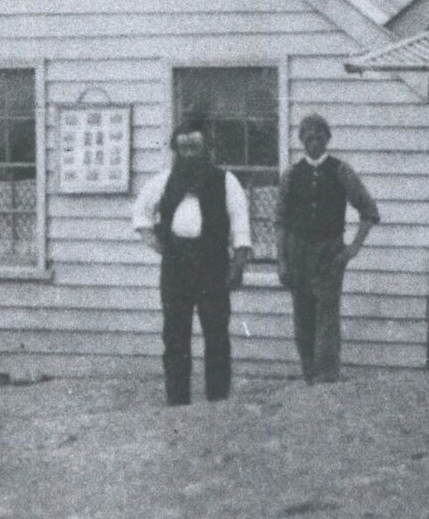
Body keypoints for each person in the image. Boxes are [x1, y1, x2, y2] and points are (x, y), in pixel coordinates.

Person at [131, 117, 254, 407]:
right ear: (176, 149)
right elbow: (140, 213)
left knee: (217, 337)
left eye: (195, 147)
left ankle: (218, 402)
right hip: (176, 269)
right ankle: (177, 403)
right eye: (183, 148)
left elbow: (240, 225)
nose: (189, 154)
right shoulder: (163, 181)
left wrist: (237, 264)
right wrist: (158, 244)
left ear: (207, 148)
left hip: (213, 268)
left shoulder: (227, 182)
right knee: (175, 339)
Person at [278, 113, 381, 385]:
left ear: (327, 139)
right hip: (297, 252)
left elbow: (369, 211)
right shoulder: (291, 174)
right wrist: (282, 261)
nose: (314, 142)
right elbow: (281, 221)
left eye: (319, 137)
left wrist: (353, 248)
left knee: (326, 318)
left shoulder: (340, 171)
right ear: (300, 140)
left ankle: (327, 377)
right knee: (302, 317)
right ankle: (309, 375)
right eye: (308, 137)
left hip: (328, 253)